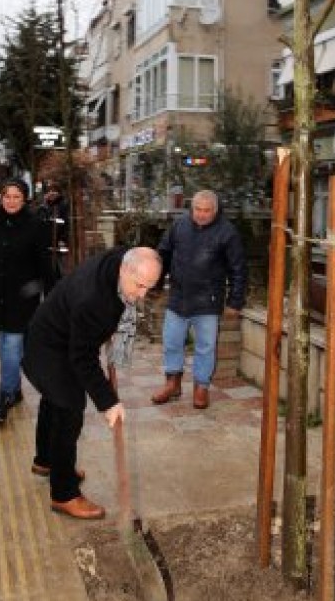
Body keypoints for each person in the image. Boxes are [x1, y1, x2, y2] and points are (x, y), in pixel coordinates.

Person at [23, 246, 162, 520]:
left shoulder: (119, 262)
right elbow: (83, 357)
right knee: (69, 406)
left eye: (150, 287)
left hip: (53, 332)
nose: (142, 295)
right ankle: (64, 494)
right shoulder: (94, 300)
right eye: (139, 285)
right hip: (50, 347)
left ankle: (46, 461)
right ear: (125, 269)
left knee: (54, 400)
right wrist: (108, 402)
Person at [150, 190, 247, 410]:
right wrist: (154, 284)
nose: (202, 214)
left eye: (207, 211)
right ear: (191, 208)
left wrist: (235, 301)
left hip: (208, 301)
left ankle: (201, 387)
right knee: (172, 342)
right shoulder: (179, 226)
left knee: (205, 347)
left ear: (215, 210)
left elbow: (238, 270)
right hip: (178, 297)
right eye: (198, 210)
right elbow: (163, 255)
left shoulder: (227, 232)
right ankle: (172, 383)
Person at [0, 180, 56, 423]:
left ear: (25, 200)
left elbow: (45, 263)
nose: (11, 201)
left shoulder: (35, 225)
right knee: (3, 347)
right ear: (1, 198)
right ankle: (15, 387)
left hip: (22, 298)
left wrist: (49, 293)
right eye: (7, 196)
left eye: (16, 197)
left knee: (11, 347)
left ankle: (4, 395)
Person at [37, 183, 71, 278]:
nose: (52, 193)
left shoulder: (63, 206)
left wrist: (63, 240)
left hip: (60, 244)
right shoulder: (42, 208)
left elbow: (66, 225)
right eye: (49, 191)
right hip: (45, 245)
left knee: (61, 271)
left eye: (54, 191)